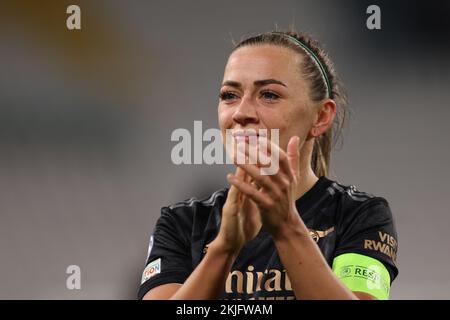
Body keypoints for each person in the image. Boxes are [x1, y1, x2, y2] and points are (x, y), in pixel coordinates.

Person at [138, 30, 398, 300]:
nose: (241, 113)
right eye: (229, 95)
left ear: (321, 116)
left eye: (269, 95)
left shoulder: (359, 216)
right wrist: (224, 248)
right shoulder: (183, 223)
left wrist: (286, 227)